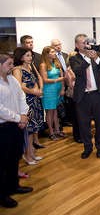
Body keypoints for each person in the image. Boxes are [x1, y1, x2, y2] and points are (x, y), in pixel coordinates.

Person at [69, 34, 100, 159]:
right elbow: (78, 71)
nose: (86, 44)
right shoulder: (74, 58)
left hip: (98, 95)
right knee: (84, 124)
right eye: (82, 42)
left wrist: (96, 59)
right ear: (77, 45)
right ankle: (87, 147)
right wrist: (88, 58)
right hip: (83, 97)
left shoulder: (96, 55)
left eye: (87, 42)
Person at [0, 53, 33, 208]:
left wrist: (24, 115)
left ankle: (14, 185)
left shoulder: (12, 80)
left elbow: (21, 97)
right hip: (4, 127)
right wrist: (18, 117)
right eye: (9, 64)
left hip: (17, 124)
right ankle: (3, 195)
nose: (12, 67)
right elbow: (1, 110)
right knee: (3, 162)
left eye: (12, 64)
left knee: (15, 157)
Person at [12, 48, 45, 165]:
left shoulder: (30, 67)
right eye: (27, 56)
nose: (30, 58)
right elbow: (18, 86)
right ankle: (27, 155)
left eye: (31, 56)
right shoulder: (17, 69)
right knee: (29, 130)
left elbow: (37, 79)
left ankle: (31, 153)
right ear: (21, 57)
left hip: (34, 100)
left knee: (33, 129)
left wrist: (39, 90)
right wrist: (34, 92)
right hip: (26, 102)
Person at [39, 46, 65, 140]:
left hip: (57, 89)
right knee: (50, 112)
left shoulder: (56, 63)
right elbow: (45, 80)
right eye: (52, 52)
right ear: (47, 54)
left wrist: (62, 88)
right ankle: (51, 132)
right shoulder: (43, 65)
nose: (54, 53)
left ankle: (57, 130)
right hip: (49, 91)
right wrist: (59, 79)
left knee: (55, 111)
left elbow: (62, 76)